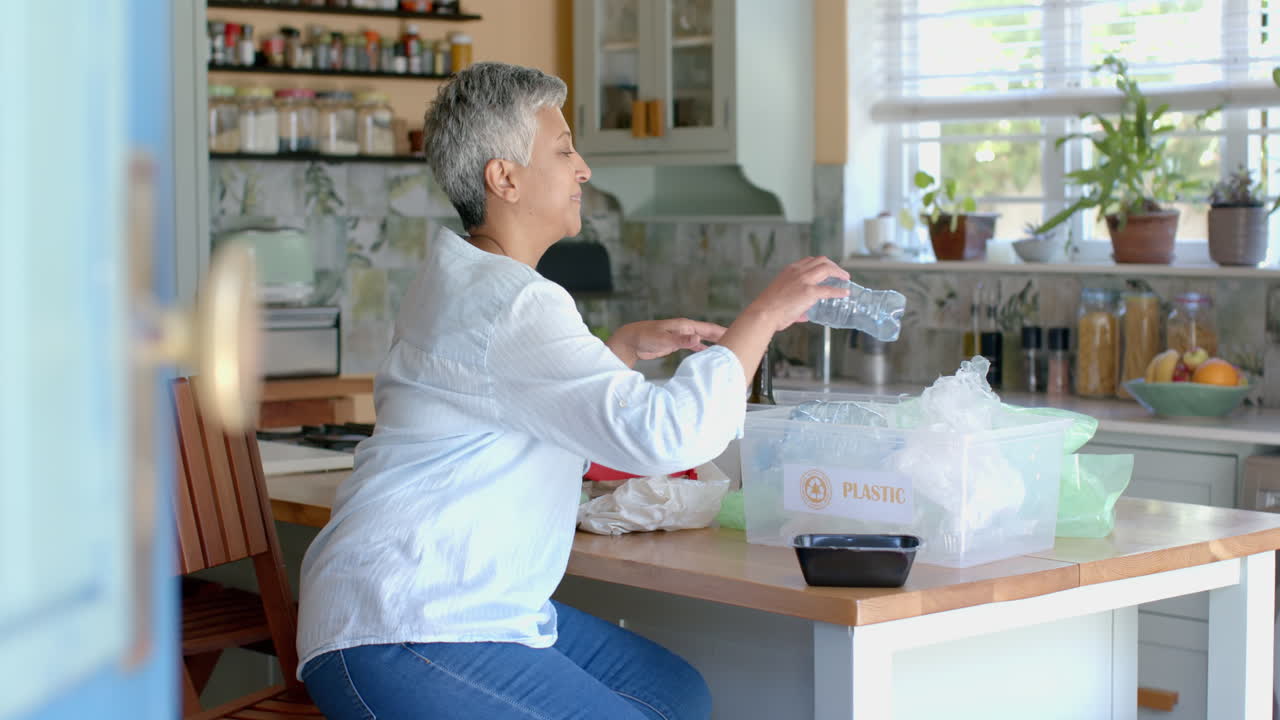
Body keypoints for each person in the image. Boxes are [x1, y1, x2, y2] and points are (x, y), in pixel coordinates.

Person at [296, 62, 849, 720]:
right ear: (503, 178)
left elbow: (509, 410)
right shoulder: (512, 301)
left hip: (455, 603)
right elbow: (664, 437)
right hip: (406, 624)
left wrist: (613, 354)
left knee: (675, 697)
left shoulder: (471, 277)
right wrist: (762, 316)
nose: (583, 168)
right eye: (562, 150)